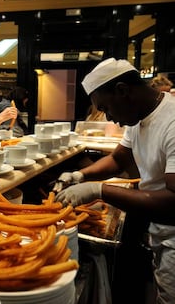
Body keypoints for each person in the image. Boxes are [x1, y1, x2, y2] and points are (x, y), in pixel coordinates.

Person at [53, 58, 175, 304]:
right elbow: (119, 158)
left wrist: (99, 190)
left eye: (107, 108)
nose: (109, 118)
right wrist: (81, 176)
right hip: (158, 228)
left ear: (122, 91)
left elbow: (174, 201)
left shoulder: (171, 122)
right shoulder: (139, 115)